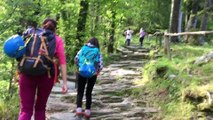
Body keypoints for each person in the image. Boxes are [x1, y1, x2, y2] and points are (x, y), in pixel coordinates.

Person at [18, 18, 68, 120]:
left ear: (42, 26)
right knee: (40, 108)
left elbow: (18, 53)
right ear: (55, 29)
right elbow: (62, 62)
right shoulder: (57, 39)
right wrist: (65, 83)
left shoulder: (31, 35)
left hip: (26, 74)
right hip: (46, 76)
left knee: (25, 110)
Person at [74, 37, 103, 119]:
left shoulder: (83, 48)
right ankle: (87, 111)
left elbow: (76, 59)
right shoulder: (97, 51)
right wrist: (98, 71)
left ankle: (79, 109)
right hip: (92, 74)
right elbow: (100, 64)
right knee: (89, 92)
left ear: (88, 42)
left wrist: (79, 67)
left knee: (80, 91)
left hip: (81, 72)